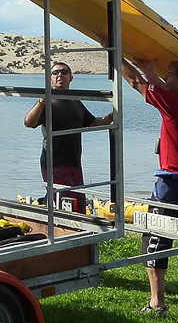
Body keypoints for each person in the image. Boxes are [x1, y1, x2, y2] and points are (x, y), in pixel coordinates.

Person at [120, 58, 178, 315]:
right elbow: (165, 90)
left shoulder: (173, 105)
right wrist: (153, 74)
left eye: (170, 75)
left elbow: (135, 81)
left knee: (154, 238)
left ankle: (157, 303)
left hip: (173, 184)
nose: (166, 78)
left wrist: (115, 54)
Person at [23, 62, 113, 212]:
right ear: (50, 79)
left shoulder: (75, 100)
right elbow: (28, 122)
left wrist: (110, 117)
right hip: (54, 163)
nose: (60, 75)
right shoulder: (47, 101)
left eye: (64, 72)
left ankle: (80, 233)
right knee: (63, 206)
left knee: (79, 205)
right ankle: (60, 232)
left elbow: (91, 122)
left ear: (71, 77)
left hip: (74, 163)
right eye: (55, 73)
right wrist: (41, 101)